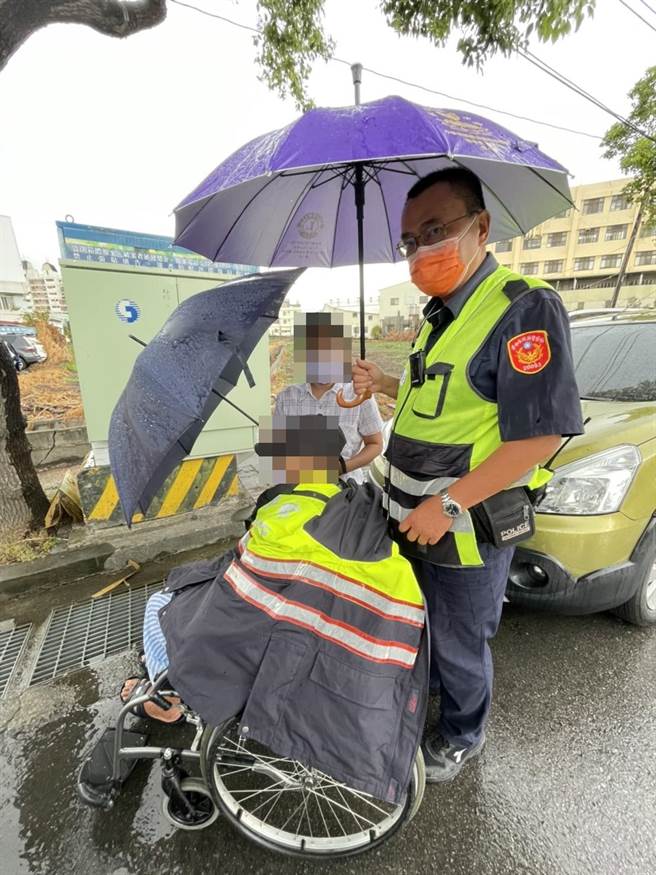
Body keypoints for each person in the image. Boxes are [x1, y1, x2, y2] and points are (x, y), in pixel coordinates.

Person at [353, 167, 584, 783]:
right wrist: (385, 384)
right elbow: (452, 403)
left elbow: (541, 433)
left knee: (459, 639)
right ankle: (432, 706)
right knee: (420, 623)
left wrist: (448, 506)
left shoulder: (522, 308)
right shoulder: (437, 315)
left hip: (463, 524)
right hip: (410, 516)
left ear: (480, 227)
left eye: (435, 230)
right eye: (408, 240)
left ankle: (462, 735)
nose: (419, 249)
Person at [119, 414, 428, 802]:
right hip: (302, 609)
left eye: (278, 458)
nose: (273, 467)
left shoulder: (285, 512)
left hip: (255, 621)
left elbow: (239, 592)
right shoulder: (343, 496)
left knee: (159, 604)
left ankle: (169, 698)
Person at [274, 311, 383, 483]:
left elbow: (376, 444)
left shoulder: (360, 396)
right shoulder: (286, 398)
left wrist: (342, 467)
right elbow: (279, 453)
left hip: (347, 489)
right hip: (298, 489)